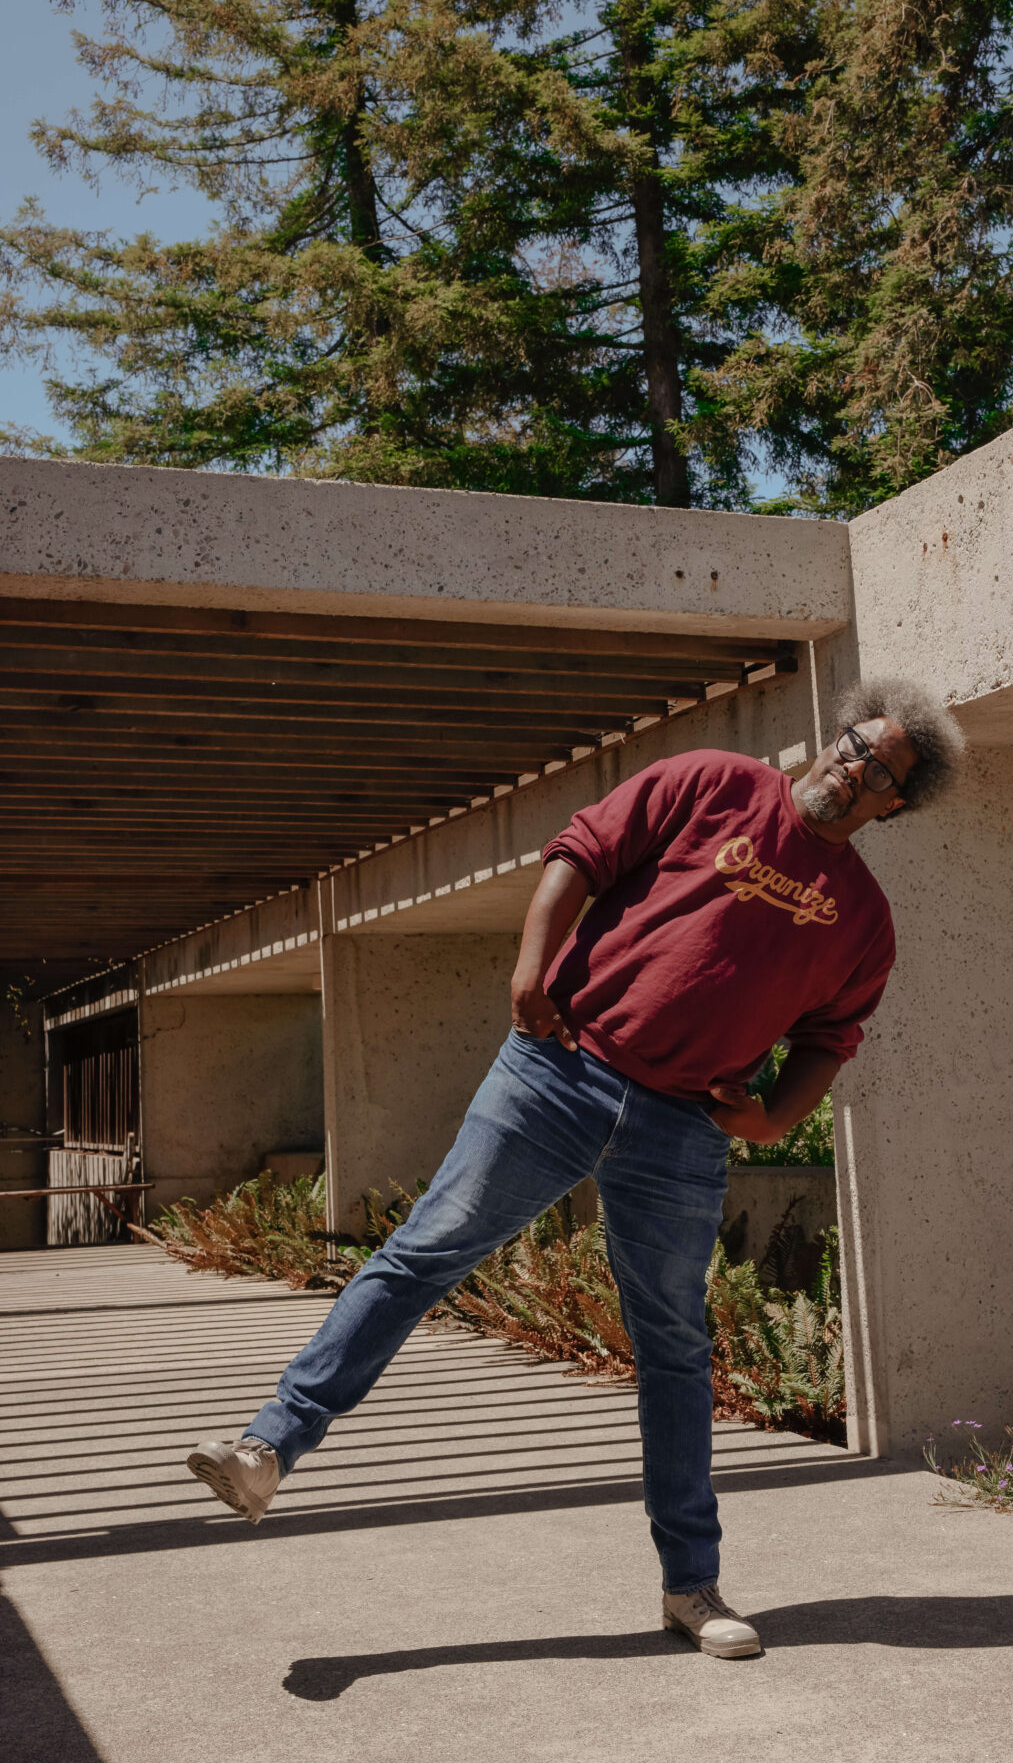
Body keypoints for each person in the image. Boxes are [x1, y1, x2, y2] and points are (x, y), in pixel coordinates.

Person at [187, 675, 964, 1658]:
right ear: (834, 734)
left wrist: (771, 1121)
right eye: (854, 745)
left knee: (673, 1345)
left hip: (681, 1128)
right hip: (557, 1072)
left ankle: (691, 1586)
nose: (852, 770)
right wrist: (529, 969)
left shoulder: (862, 920)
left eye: (879, 772)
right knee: (422, 1253)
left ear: (893, 805)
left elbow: (829, 1039)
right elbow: (580, 851)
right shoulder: (714, 782)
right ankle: (267, 1447)